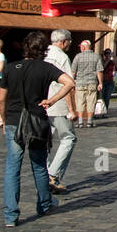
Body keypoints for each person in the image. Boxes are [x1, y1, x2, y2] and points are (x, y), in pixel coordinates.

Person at [0, 30, 75, 227]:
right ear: (44, 49)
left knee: (12, 167)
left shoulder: (9, 68)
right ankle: (44, 204)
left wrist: (3, 117)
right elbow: (69, 83)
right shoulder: (46, 68)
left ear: (25, 47)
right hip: (37, 120)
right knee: (39, 165)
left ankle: (10, 215)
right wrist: (51, 100)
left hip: (14, 120)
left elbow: (1, 99)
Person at [44, 29, 77, 194]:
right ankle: (53, 175)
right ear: (64, 42)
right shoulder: (62, 57)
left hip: (42, 102)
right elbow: (68, 85)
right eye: (69, 41)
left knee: (45, 141)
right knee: (68, 138)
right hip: (57, 103)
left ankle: (43, 174)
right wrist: (71, 109)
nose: (70, 44)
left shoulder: (44, 52)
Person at [70, 39, 101, 129]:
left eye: (81, 47)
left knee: (80, 102)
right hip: (92, 82)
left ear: (83, 47)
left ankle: (80, 122)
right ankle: (89, 121)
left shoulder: (77, 57)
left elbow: (73, 71)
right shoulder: (96, 57)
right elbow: (99, 71)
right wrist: (100, 83)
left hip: (79, 83)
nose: (80, 48)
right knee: (91, 102)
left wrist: (71, 82)